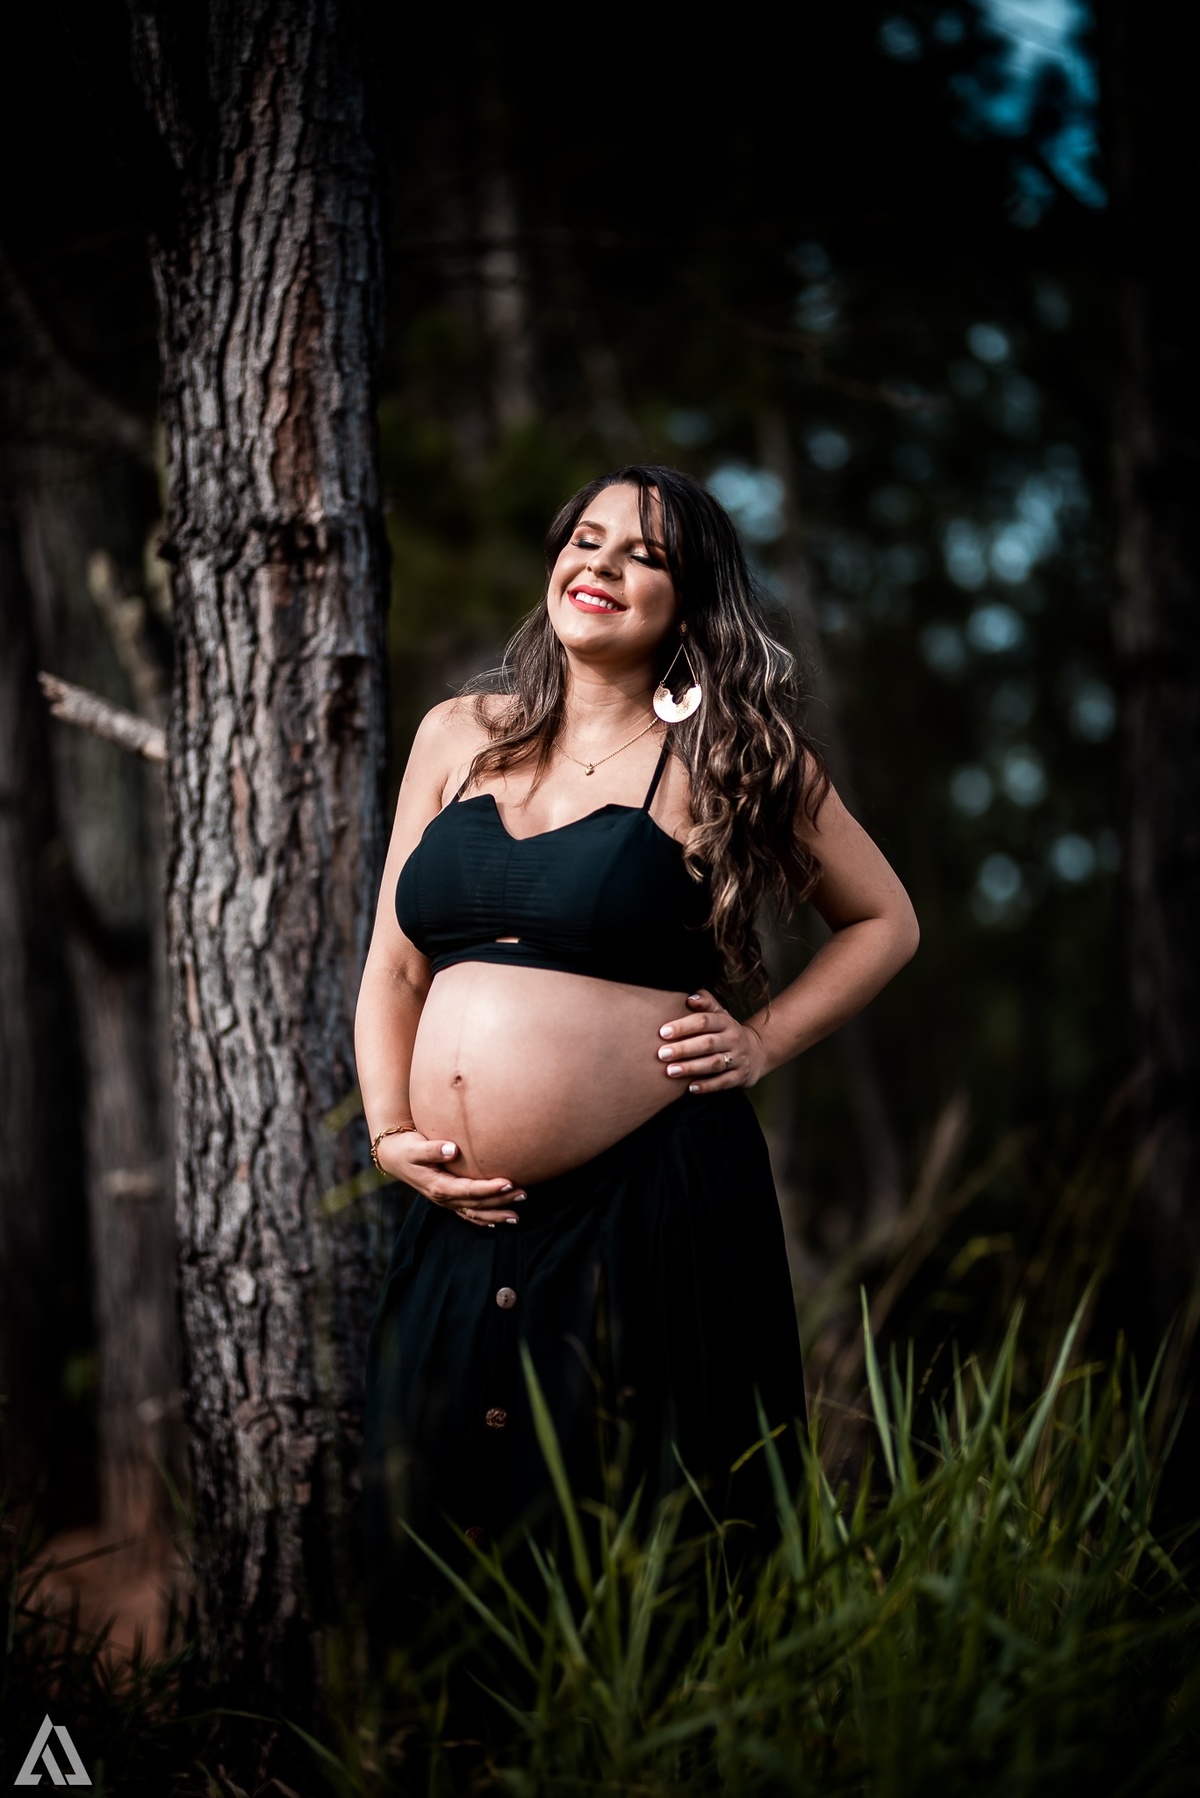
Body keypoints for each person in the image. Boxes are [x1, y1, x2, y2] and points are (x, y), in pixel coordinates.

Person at [356, 465, 918, 1636]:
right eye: (587, 539)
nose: (601, 566)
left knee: (638, 1528)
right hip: (457, 1209)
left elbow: (885, 922)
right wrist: (387, 1131)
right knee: (439, 1523)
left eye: (644, 555)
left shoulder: (732, 755)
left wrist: (761, 1042)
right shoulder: (458, 735)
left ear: (691, 600)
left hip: (651, 1208)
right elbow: (394, 967)